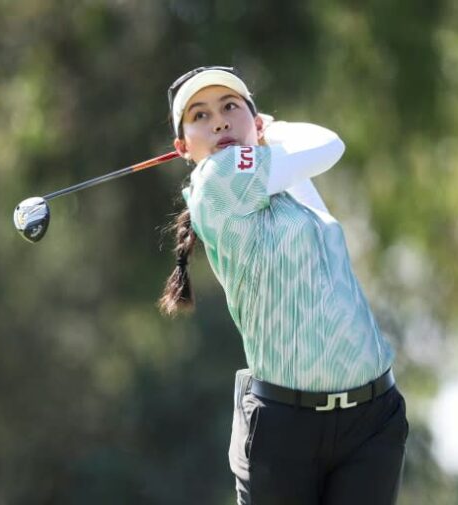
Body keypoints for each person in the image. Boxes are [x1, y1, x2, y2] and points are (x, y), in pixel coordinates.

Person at [158, 66, 408, 505]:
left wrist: (261, 134)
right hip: (287, 432)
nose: (218, 121)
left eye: (230, 107)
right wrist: (269, 128)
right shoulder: (218, 181)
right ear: (183, 148)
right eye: (199, 115)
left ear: (252, 122)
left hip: (371, 421)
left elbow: (306, 160)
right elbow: (330, 143)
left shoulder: (283, 186)